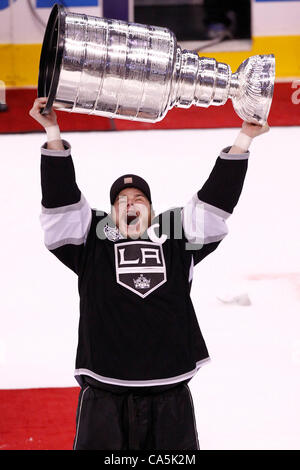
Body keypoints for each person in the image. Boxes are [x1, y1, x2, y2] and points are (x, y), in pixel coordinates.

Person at [29, 97, 269, 450]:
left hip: (169, 393)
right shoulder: (89, 240)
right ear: (110, 213)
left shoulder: (175, 234)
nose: (130, 202)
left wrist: (244, 138)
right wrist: (53, 132)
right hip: (104, 393)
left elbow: (215, 202)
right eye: (121, 199)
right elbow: (61, 203)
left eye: (139, 197)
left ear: (153, 210)